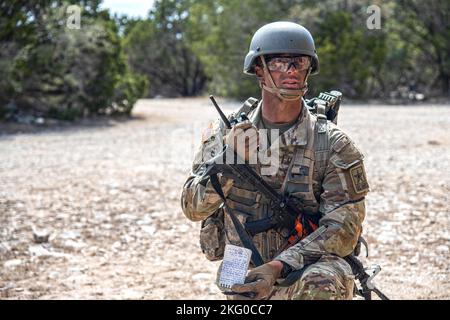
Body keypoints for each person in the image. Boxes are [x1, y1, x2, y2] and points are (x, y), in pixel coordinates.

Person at [181, 21, 369, 300]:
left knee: (322, 283)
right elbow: (192, 207)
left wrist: (278, 266)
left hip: (308, 265)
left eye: (300, 63)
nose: (292, 71)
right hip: (241, 262)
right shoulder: (227, 134)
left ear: (309, 68)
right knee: (237, 285)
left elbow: (343, 228)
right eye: (280, 63)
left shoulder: (332, 143)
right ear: (259, 69)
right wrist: (230, 162)